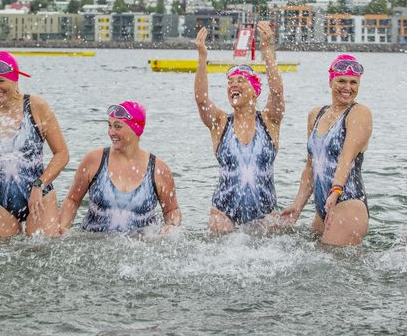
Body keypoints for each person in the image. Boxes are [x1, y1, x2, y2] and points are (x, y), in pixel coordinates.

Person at [0, 51, 68, 241]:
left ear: (15, 79)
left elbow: (62, 154)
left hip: (39, 196)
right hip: (0, 200)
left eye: (0, 81)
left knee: (42, 255)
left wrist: (39, 185)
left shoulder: (36, 106)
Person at [194, 21, 285, 234]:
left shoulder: (270, 120)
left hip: (265, 215)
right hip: (223, 214)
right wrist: (202, 57)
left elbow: (278, 92)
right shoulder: (220, 123)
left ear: (255, 90)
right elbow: (201, 99)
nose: (233, 85)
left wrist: (267, 51)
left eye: (241, 81)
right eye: (230, 82)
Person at [281, 54, 371, 246]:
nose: (348, 88)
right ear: (331, 81)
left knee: (335, 267)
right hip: (324, 206)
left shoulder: (359, 113)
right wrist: (298, 206)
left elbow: (346, 158)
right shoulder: (316, 114)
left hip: (348, 203)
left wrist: (336, 191)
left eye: (354, 82)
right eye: (342, 81)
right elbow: (311, 166)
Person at [59, 101, 181, 234]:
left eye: (117, 126)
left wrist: (172, 226)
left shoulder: (158, 169)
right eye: (109, 126)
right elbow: (73, 200)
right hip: (93, 244)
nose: (111, 132)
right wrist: (63, 228)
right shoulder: (94, 160)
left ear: (135, 129)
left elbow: (171, 210)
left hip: (139, 248)